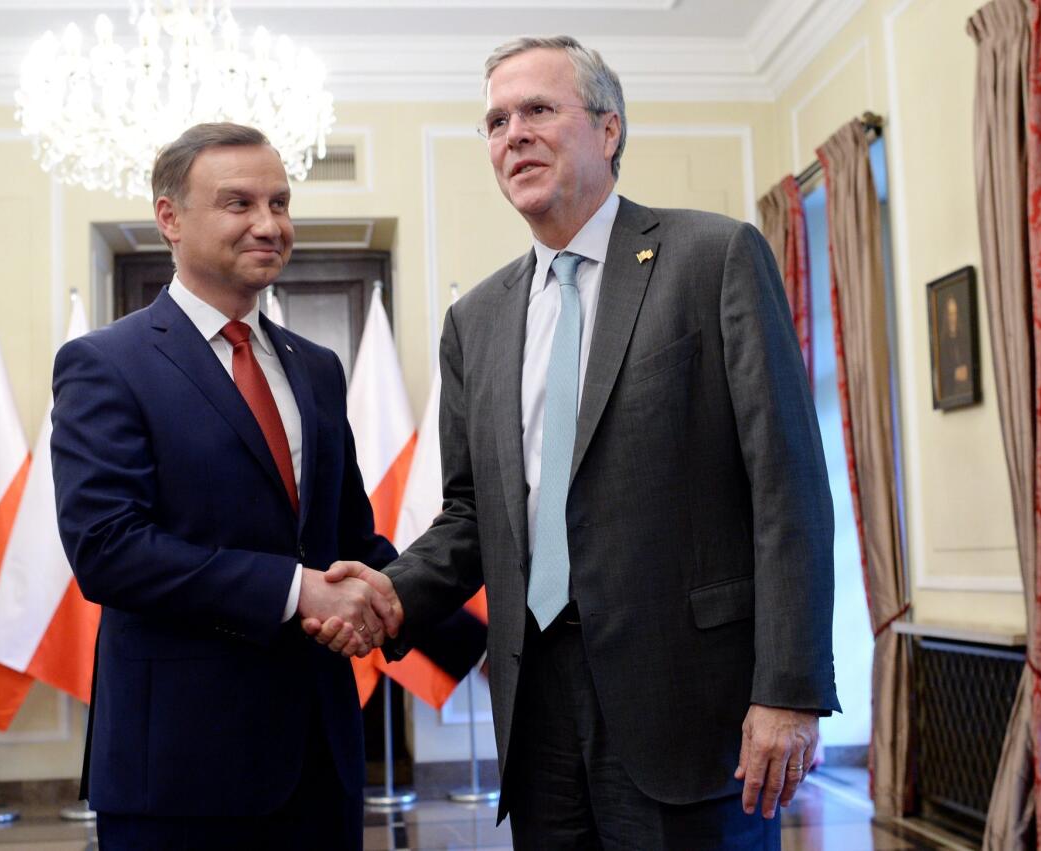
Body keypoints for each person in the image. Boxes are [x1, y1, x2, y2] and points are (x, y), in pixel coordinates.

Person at [307, 36, 840, 849]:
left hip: (691, 706)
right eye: (495, 120)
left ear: (609, 130)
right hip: (536, 709)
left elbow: (788, 487)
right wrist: (390, 593)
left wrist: (790, 688)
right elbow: (471, 514)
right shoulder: (476, 320)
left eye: (538, 110)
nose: (512, 132)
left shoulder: (714, 256)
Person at [51, 122, 400, 850]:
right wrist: (300, 589)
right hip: (177, 771)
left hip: (321, 759)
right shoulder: (104, 364)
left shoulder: (318, 367)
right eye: (239, 203)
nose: (270, 224)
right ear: (170, 218)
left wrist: (470, 617)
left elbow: (351, 541)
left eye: (280, 202)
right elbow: (109, 550)